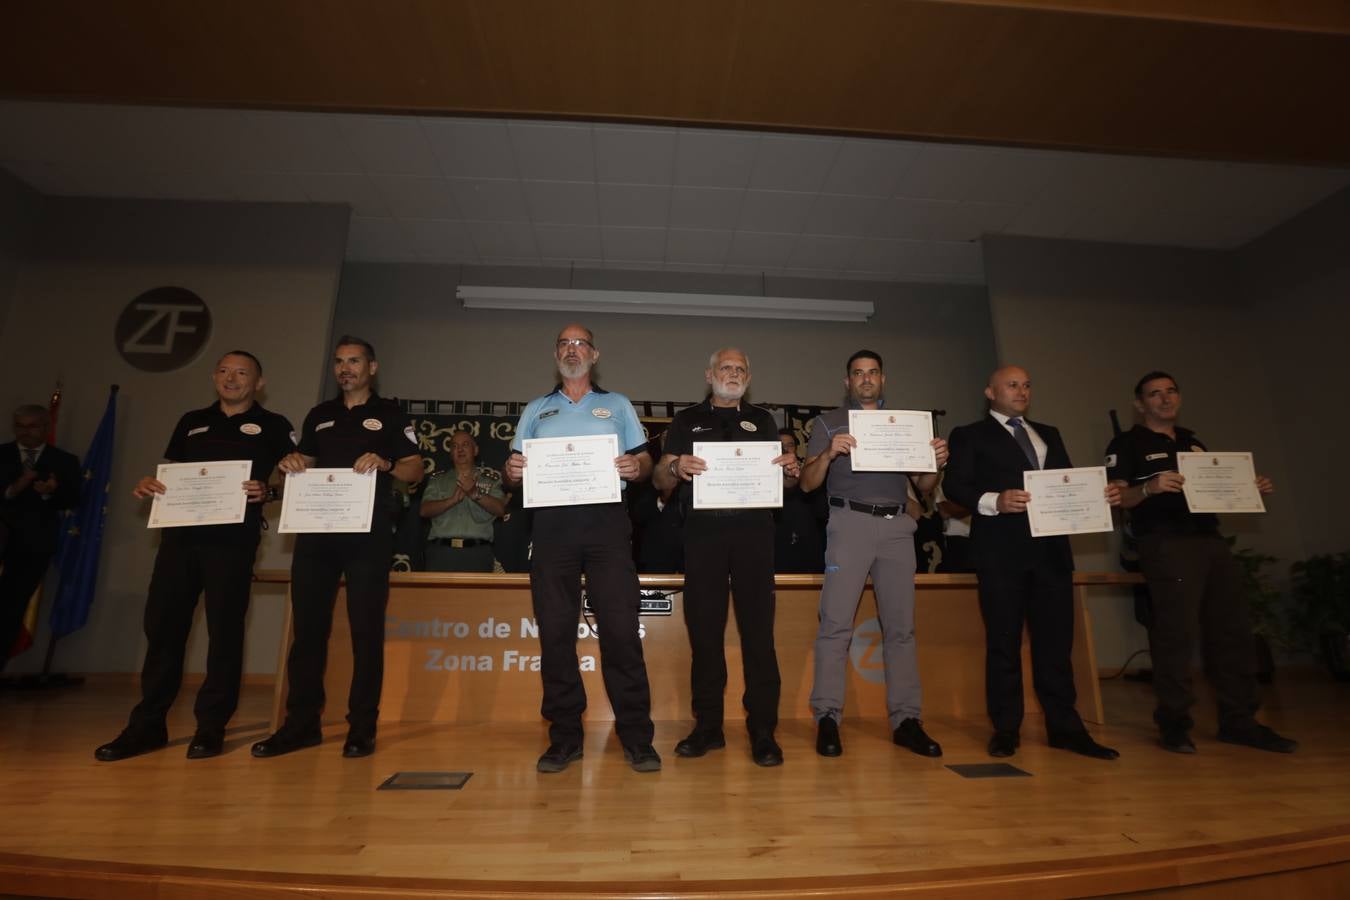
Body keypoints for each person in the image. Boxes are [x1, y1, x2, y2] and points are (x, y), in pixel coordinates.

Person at [94, 352, 293, 760]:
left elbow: (295, 480)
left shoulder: (275, 426)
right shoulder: (190, 421)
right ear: (213, 377)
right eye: (223, 371)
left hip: (232, 543)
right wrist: (153, 484)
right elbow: (175, 473)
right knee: (162, 630)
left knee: (224, 633)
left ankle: (211, 726)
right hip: (179, 540)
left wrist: (268, 492)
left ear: (259, 382)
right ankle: (147, 726)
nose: (231, 378)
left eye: (241, 373)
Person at [252, 336, 423, 760]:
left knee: (366, 632)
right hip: (315, 534)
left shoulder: (390, 414)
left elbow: (414, 467)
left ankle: (361, 727)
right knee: (308, 631)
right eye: (340, 362)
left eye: (355, 361)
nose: (346, 368)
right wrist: (288, 465)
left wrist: (386, 463)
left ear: (372, 367)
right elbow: (300, 465)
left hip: (367, 536)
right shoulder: (319, 416)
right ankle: (300, 724)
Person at [1107, 371, 1294, 754]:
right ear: (1140, 404)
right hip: (1166, 543)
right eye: (1155, 394)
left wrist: (1247, 488)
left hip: (1210, 540)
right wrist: (1149, 487)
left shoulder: (1194, 443)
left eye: (1171, 391)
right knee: (1175, 635)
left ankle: (1239, 721)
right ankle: (1174, 725)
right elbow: (1115, 497)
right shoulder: (1128, 444)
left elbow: (1215, 489)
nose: (1164, 399)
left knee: (1233, 632)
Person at [945, 365, 1121, 760]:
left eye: (1026, 385)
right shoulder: (969, 435)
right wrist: (995, 500)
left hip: (1052, 552)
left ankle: (1065, 727)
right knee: (1004, 642)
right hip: (1001, 552)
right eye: (1012, 384)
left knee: (1055, 643)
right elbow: (955, 485)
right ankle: (1006, 728)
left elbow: (1066, 483)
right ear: (990, 392)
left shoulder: (1049, 433)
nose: (1021, 391)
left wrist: (1098, 493)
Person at [504, 324, 659, 773]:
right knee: (554, 635)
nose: (572, 351)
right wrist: (513, 470)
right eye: (564, 344)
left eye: (580, 344)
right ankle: (565, 737)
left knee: (621, 632)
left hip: (607, 526)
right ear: (556, 353)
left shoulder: (617, 405)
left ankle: (636, 736)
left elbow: (645, 461)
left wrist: (637, 465)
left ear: (595, 353)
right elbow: (513, 469)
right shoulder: (536, 410)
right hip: (551, 528)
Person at [654, 348, 800, 767]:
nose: (732, 374)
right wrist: (676, 465)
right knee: (705, 633)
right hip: (702, 535)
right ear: (709, 374)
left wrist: (790, 472)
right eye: (725, 368)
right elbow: (660, 478)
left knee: (759, 635)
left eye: (739, 369)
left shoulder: (765, 421)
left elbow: (784, 486)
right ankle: (708, 727)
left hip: (755, 535)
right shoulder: (685, 421)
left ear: (748, 377)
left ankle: (762, 731)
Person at [799, 350, 947, 758]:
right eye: (857, 374)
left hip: (898, 526)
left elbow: (925, 485)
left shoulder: (907, 424)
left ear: (883, 379)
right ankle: (827, 717)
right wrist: (828, 453)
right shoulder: (829, 422)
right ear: (847, 382)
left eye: (873, 372)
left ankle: (906, 720)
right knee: (835, 623)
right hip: (850, 523)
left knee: (901, 629)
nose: (866, 379)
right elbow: (809, 485)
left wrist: (936, 462)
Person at [0, 404, 80, 669]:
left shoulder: (64, 461)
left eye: (32, 426)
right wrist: (13, 489)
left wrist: (49, 492)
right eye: (20, 426)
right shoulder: (1, 454)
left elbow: (76, 499)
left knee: (11, 608)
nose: (26, 432)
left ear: (46, 428)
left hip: (33, 546)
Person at [420, 429, 505, 572]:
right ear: (450, 452)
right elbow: (424, 510)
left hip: (477, 554)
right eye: (454, 446)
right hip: (441, 553)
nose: (460, 449)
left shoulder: (491, 480)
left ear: (475, 450)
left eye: (465, 444)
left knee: (476, 595)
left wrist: (474, 493)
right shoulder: (438, 480)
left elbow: (500, 510)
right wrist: (451, 501)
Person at [774, 427, 826, 574]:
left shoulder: (810, 475)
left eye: (789, 445)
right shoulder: (762, 481)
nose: (785, 449)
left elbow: (821, 513)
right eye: (780, 445)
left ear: (796, 448)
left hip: (806, 549)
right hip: (777, 551)